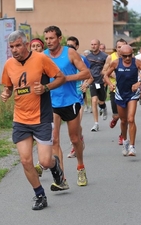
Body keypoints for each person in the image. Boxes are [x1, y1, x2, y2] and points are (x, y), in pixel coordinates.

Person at [1, 30, 66, 209]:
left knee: (44, 161)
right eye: (11, 47)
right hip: (20, 119)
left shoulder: (41, 59)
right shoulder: (8, 65)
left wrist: (46, 87)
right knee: (25, 161)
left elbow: (61, 78)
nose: (14, 50)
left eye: (18, 45)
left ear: (26, 44)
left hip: (41, 117)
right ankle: (40, 195)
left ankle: (55, 165)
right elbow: (8, 86)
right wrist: (6, 93)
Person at [44, 26, 91, 187]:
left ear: (59, 38)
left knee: (75, 139)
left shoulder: (70, 53)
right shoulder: (43, 56)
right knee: (54, 139)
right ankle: (61, 178)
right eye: (47, 39)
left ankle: (80, 166)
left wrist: (66, 78)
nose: (49, 41)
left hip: (70, 101)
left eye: (51, 38)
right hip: (52, 102)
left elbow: (86, 74)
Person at [104, 45, 141, 156]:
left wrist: (139, 82)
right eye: (125, 56)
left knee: (131, 119)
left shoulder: (137, 62)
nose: (127, 58)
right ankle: (125, 141)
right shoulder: (116, 63)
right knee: (123, 121)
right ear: (120, 55)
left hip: (132, 93)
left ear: (133, 54)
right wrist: (110, 84)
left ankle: (132, 146)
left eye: (129, 55)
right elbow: (106, 75)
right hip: (120, 94)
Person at [66, 36, 93, 158]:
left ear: (76, 47)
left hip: (78, 96)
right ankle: (79, 139)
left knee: (76, 124)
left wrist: (86, 84)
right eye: (67, 46)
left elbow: (90, 76)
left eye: (71, 46)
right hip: (66, 97)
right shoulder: (61, 60)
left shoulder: (82, 59)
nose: (69, 49)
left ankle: (74, 146)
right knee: (71, 125)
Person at [102, 38, 127, 145]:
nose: (121, 49)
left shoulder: (130, 57)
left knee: (125, 117)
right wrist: (111, 74)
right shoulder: (110, 58)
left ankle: (122, 135)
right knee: (117, 115)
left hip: (127, 90)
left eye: (123, 47)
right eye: (119, 47)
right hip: (114, 89)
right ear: (116, 48)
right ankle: (115, 118)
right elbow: (103, 71)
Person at [86, 39, 109, 132]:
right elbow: (86, 69)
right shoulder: (88, 57)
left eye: (95, 44)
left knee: (101, 101)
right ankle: (96, 123)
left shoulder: (105, 56)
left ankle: (103, 108)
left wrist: (105, 79)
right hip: (92, 81)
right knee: (94, 100)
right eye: (92, 44)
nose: (93, 46)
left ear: (99, 45)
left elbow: (107, 68)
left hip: (101, 81)